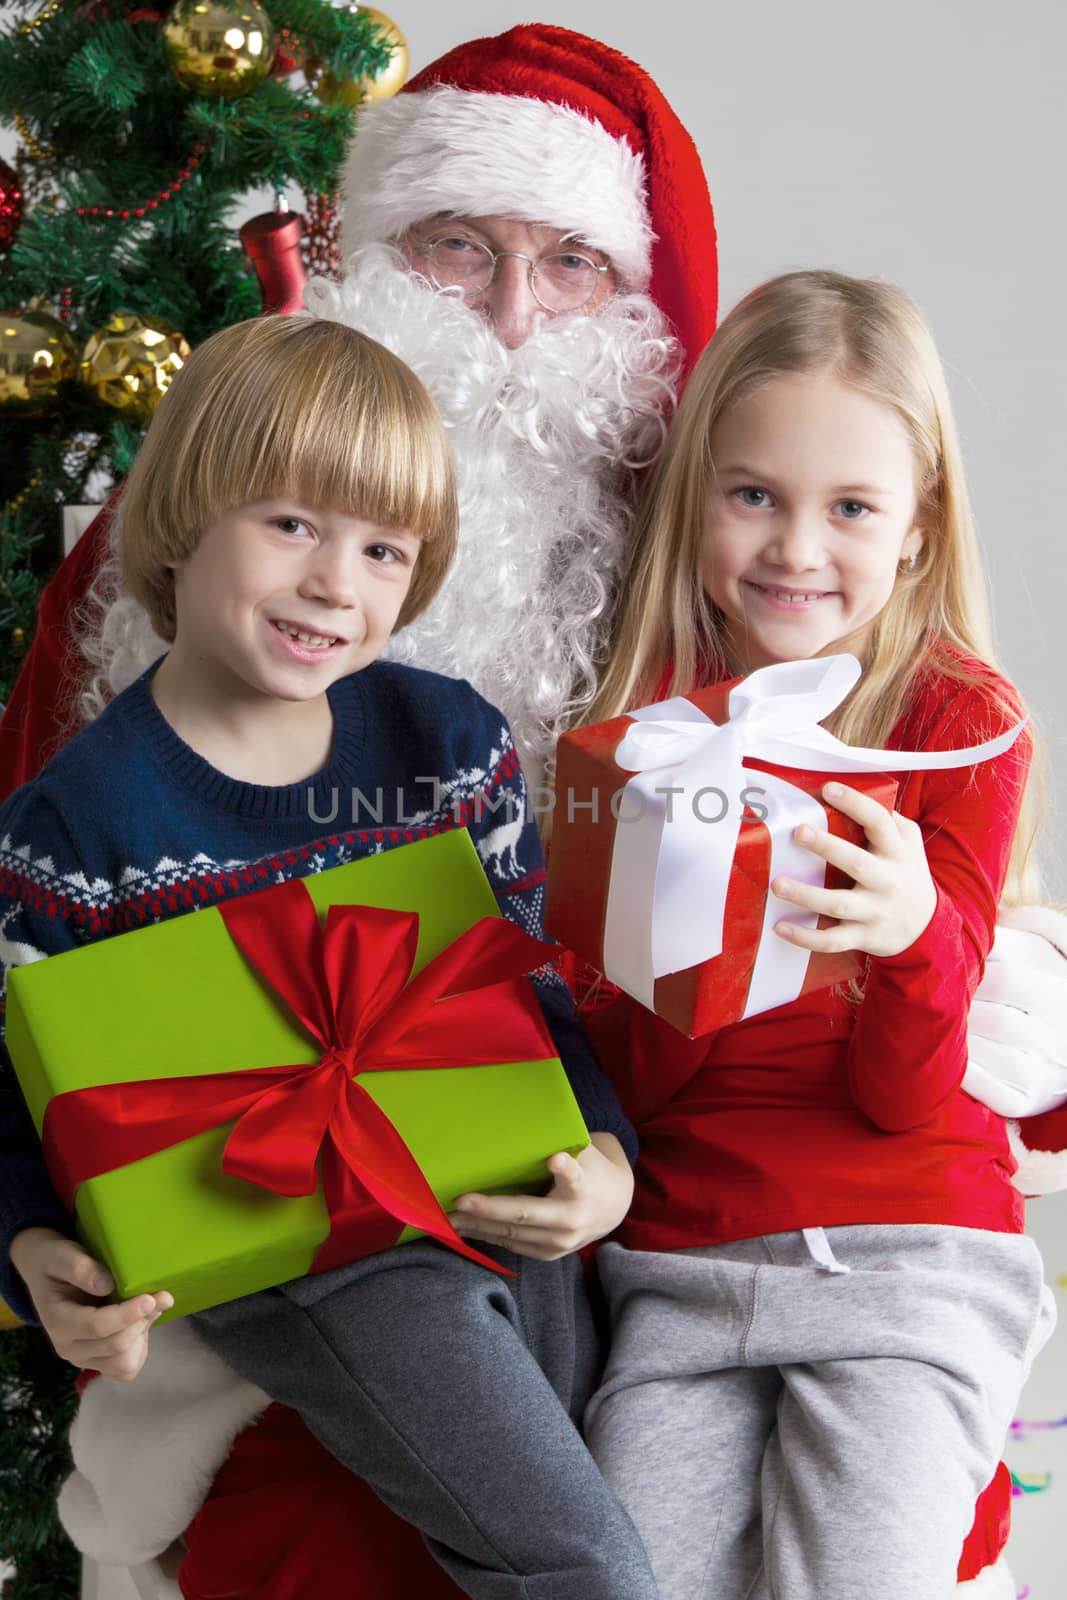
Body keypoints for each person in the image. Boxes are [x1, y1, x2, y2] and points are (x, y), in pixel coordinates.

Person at [0, 314, 657, 1600]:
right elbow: (21, 1084)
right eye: (290, 524)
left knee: (593, 1452)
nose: (333, 583)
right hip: (301, 1243)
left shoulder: (443, 738)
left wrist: (604, 1154)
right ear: (185, 514)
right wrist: (28, 1245)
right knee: (581, 1559)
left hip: (485, 1177)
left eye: (381, 548)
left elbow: (529, 989)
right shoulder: (78, 821)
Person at [516, 268, 1057, 1599]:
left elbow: (901, 1089)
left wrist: (915, 931)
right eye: (752, 494)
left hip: (908, 1259)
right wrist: (670, 934)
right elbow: (642, 1092)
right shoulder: (637, 727)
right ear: (695, 493)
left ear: (917, 531)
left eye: (850, 509)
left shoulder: (953, 721)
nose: (795, 550)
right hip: (687, 1266)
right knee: (631, 1576)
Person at [0, 23, 717, 792]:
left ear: (626, 298)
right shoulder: (198, 489)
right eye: (460, 247)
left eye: (570, 264)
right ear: (382, 255)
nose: (509, 319)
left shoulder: (681, 548)